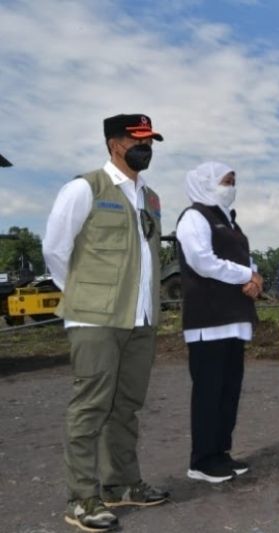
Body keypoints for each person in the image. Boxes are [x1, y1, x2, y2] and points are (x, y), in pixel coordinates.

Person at [42, 113, 169, 532]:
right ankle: (82, 498)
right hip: (95, 318)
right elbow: (56, 249)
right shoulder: (85, 188)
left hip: (141, 317)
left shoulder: (149, 197)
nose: (146, 148)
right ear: (115, 143)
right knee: (91, 407)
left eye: (150, 141)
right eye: (139, 141)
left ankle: (121, 484)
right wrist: (84, 297)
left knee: (126, 406)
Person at [176, 161, 262, 484]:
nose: (231, 187)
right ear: (207, 183)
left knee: (229, 390)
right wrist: (246, 275)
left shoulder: (231, 222)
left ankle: (221, 453)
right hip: (208, 320)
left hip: (234, 318)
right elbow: (202, 261)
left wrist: (255, 277)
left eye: (234, 181)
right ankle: (201, 460)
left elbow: (246, 260)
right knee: (209, 391)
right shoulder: (194, 217)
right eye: (226, 181)